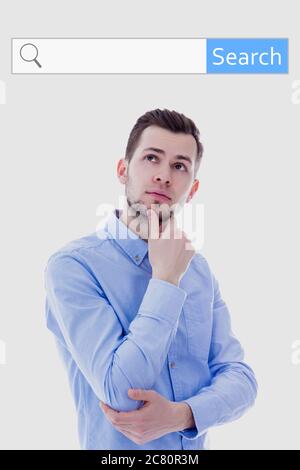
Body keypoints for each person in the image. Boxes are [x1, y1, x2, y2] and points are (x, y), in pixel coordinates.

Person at [44, 108, 257, 450]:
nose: (163, 176)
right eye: (151, 158)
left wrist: (182, 415)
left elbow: (241, 379)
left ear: (193, 186)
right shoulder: (73, 266)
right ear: (122, 170)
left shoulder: (199, 270)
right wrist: (166, 280)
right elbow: (120, 391)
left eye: (179, 166)